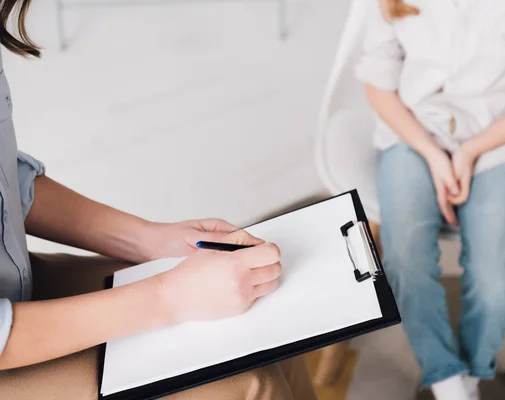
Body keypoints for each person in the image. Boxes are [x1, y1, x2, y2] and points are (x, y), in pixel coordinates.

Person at [0, 4, 316, 400]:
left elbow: (7, 177)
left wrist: (145, 239)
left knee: (268, 320)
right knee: (250, 387)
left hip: (17, 280)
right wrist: (171, 297)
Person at [355, 0, 505, 399]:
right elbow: (379, 84)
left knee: (495, 276)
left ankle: (470, 372)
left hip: (498, 137)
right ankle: (445, 377)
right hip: (413, 132)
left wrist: (471, 151)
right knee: (403, 257)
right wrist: (434, 155)